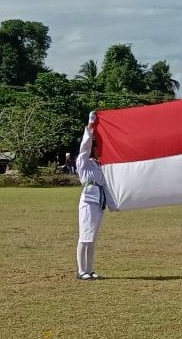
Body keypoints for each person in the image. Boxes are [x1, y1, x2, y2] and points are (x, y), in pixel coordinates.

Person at [75, 111, 105, 280]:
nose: (94, 148)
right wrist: (90, 127)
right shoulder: (83, 162)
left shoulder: (98, 165)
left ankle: (90, 268)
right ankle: (81, 270)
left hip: (99, 200)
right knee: (85, 236)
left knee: (92, 237)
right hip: (88, 199)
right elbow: (84, 147)